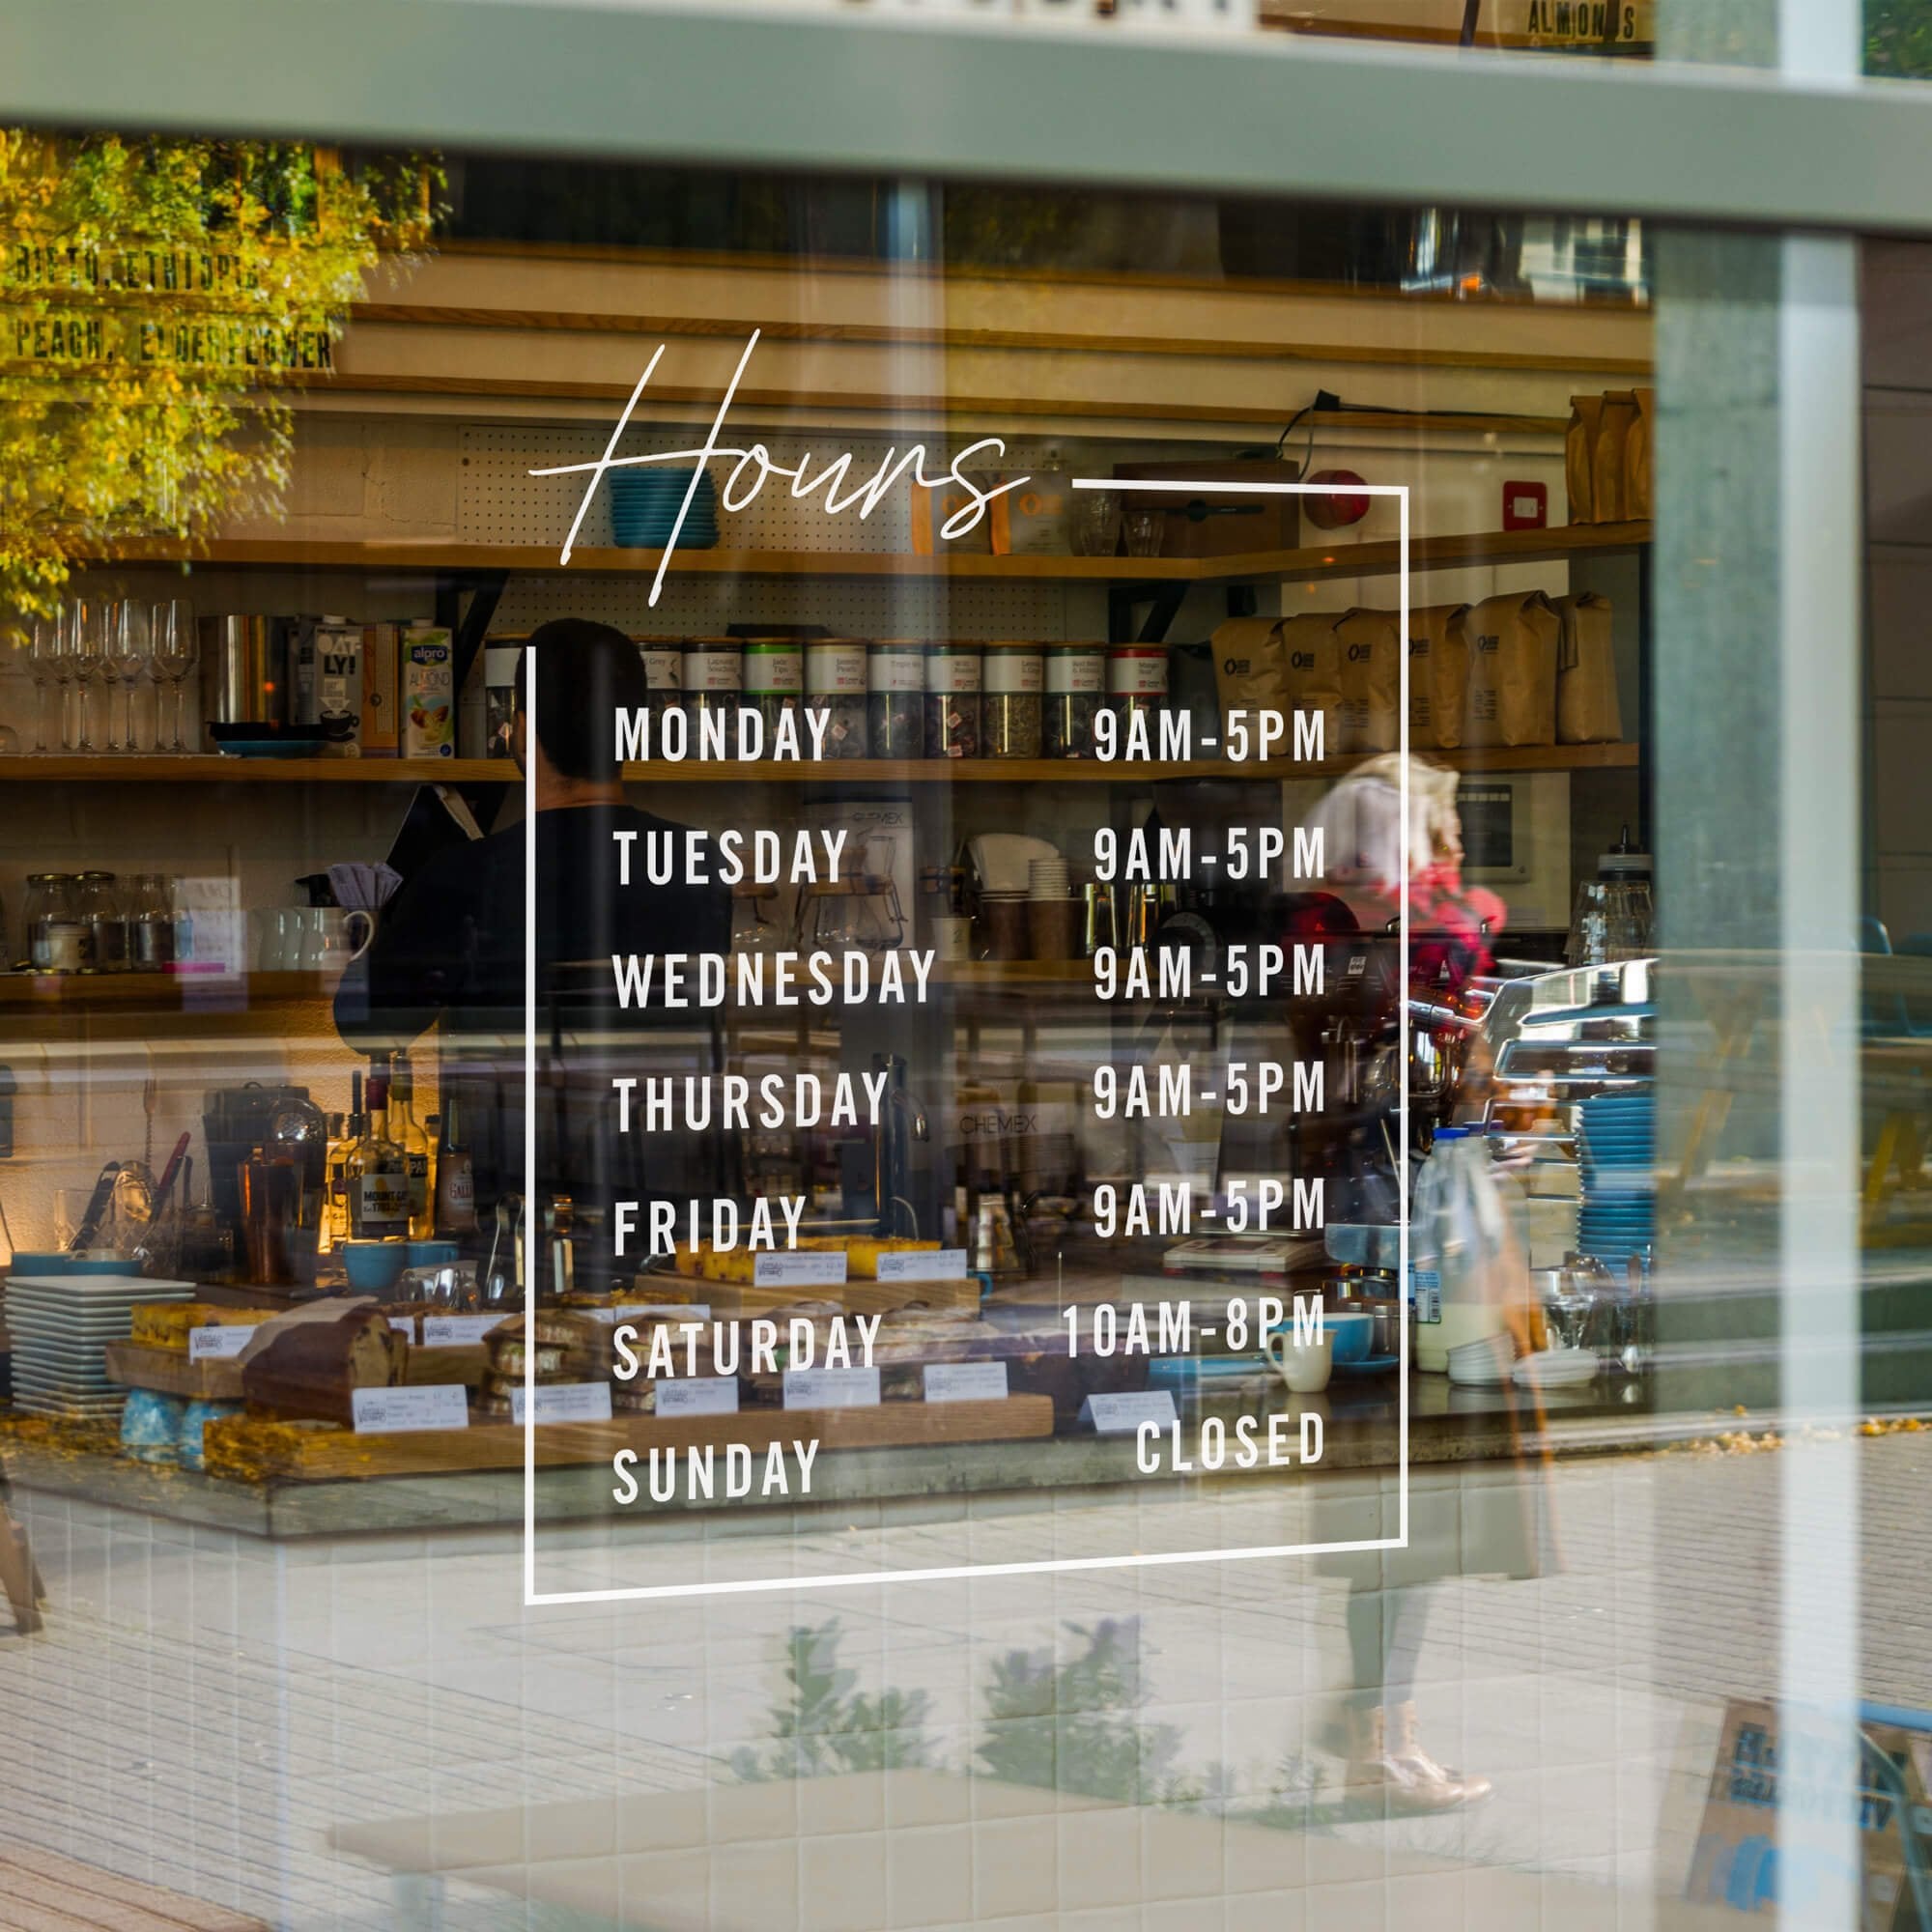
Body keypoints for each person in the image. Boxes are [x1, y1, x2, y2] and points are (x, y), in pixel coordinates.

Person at [335, 618, 732, 1263]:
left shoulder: (466, 875)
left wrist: (381, 912)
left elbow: (366, 1026)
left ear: (521, 728)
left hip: (515, 1227)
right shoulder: (700, 863)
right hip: (676, 1218)